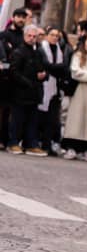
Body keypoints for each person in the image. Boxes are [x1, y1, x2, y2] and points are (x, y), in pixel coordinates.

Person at [7, 24, 48, 156]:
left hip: (34, 93)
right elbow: (13, 72)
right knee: (17, 120)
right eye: (29, 36)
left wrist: (43, 75)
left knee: (32, 120)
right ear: (25, 36)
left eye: (34, 36)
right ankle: (13, 143)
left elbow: (42, 68)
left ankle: (30, 144)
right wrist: (28, 82)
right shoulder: (18, 52)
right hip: (20, 92)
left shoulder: (38, 52)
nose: (32, 38)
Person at [62, 32, 87, 161]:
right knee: (76, 118)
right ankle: (71, 146)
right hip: (79, 90)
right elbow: (75, 72)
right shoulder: (78, 55)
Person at [38, 26, 68, 155]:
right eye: (52, 35)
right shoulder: (42, 49)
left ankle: (47, 144)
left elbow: (64, 68)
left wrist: (55, 68)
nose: (55, 37)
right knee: (40, 117)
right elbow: (46, 65)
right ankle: (37, 142)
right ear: (47, 35)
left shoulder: (60, 50)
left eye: (57, 36)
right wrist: (57, 68)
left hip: (56, 88)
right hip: (44, 86)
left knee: (52, 119)